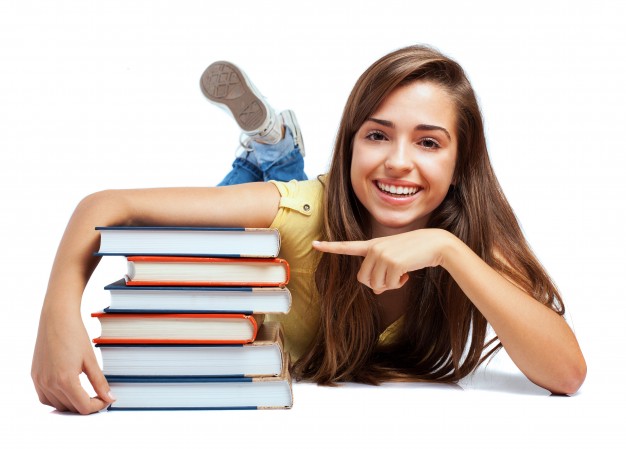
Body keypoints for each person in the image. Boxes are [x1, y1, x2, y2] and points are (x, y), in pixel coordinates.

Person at [31, 45, 586, 415]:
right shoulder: (300, 212)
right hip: (288, 221)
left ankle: (269, 149)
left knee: (251, 194)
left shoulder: (471, 242)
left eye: (428, 141)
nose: (397, 161)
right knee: (238, 213)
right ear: (348, 144)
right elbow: (109, 205)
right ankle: (273, 151)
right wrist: (57, 315)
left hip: (299, 220)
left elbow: (566, 375)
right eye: (376, 135)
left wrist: (447, 249)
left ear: (462, 163)